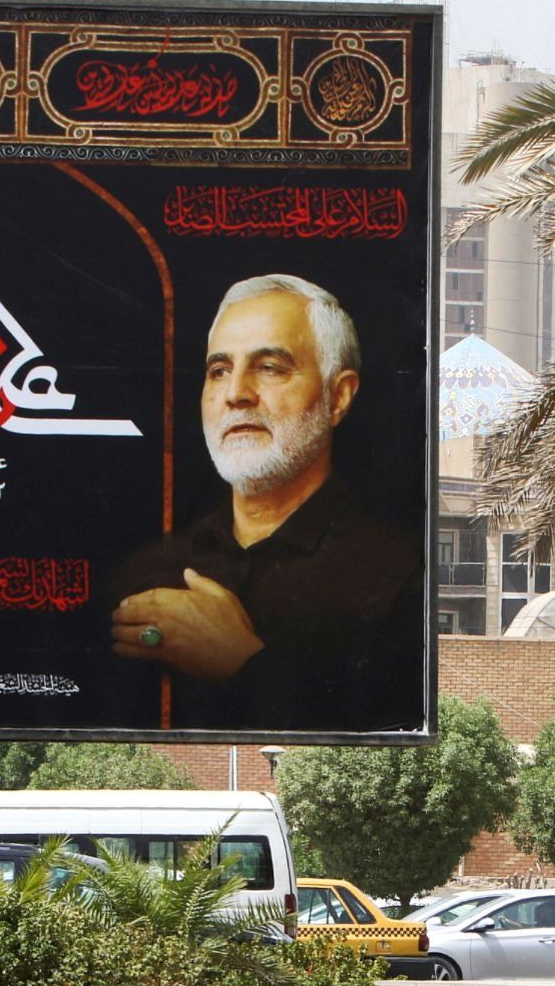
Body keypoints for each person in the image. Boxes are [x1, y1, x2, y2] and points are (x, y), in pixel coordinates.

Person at [108, 274, 420, 731]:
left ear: (338, 397)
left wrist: (244, 663)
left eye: (270, 367)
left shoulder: (401, 576)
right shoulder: (145, 572)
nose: (236, 393)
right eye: (219, 371)